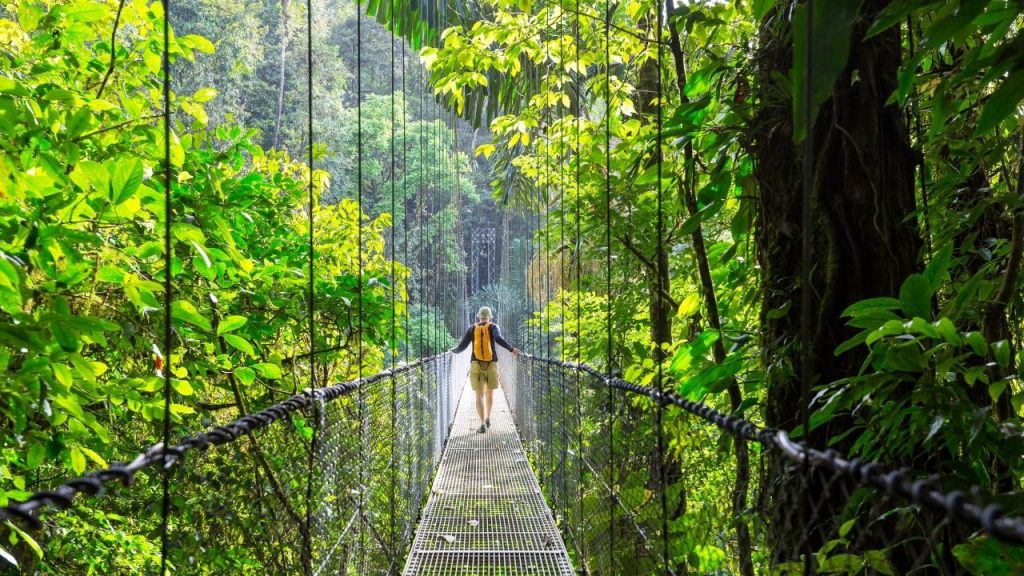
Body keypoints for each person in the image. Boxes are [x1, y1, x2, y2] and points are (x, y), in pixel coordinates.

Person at [450, 306, 521, 433]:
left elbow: (462, 346)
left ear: (479, 316)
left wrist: (453, 352)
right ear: (489, 317)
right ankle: (488, 417)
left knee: (479, 395)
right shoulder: (493, 326)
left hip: (476, 364)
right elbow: (498, 339)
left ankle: (482, 424)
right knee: (490, 393)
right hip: (491, 363)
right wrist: (511, 349)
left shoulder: (472, 328)